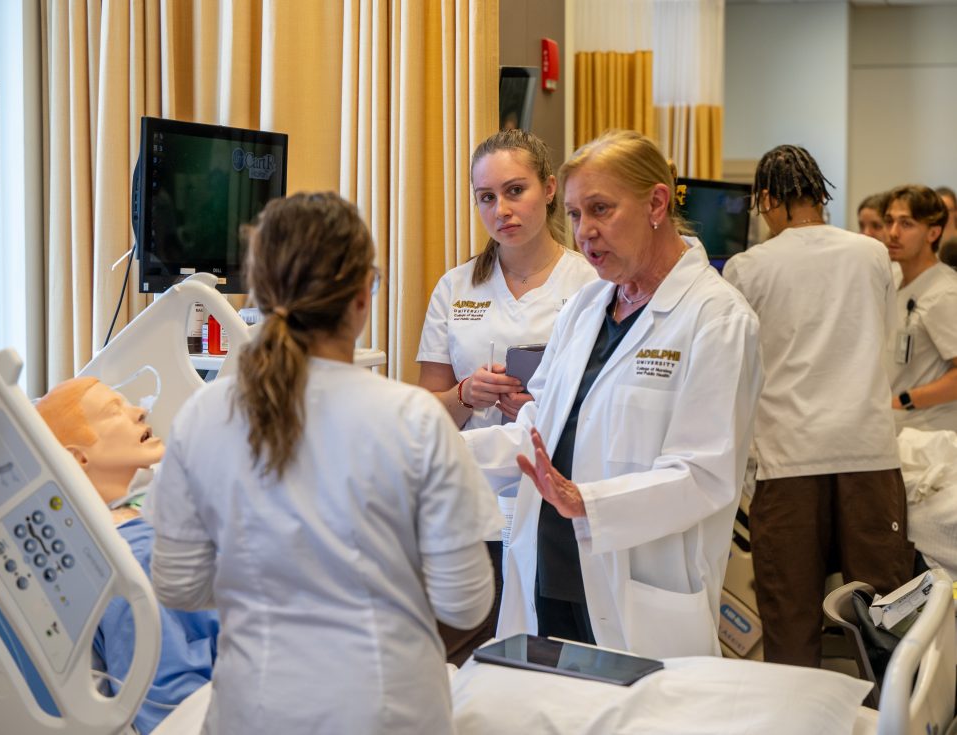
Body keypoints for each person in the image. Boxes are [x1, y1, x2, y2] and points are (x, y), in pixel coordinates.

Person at [148, 192, 503, 735]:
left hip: (252, 707)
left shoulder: (202, 416)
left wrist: (270, 580)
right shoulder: (414, 420)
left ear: (261, 293)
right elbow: (466, 602)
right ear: (364, 295)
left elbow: (177, 586)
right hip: (387, 710)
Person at [460, 129, 763, 659]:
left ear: (656, 203)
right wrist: (434, 452)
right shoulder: (586, 308)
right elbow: (536, 431)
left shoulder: (717, 318)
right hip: (547, 570)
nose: (585, 233)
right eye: (575, 215)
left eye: (601, 209)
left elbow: (705, 474)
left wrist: (586, 501)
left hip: (637, 589)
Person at [723, 145, 914, 668]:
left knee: (790, 617)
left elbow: (739, 373)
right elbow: (884, 340)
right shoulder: (872, 254)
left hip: (788, 462)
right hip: (869, 457)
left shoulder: (746, 268)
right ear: (819, 194)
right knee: (887, 616)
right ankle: (893, 716)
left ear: (767, 199)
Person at [35, 377, 218, 735]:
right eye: (113, 410)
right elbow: (168, 703)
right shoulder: (131, 558)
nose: (141, 411)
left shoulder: (151, 513)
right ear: (78, 457)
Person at [418, 129, 598, 431]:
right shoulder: (454, 287)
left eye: (515, 191)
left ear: (549, 188)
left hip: (554, 470)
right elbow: (425, 417)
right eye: (487, 197)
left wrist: (544, 411)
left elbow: (608, 409)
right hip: (471, 469)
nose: (501, 211)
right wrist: (464, 394)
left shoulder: (590, 284)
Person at [882, 185, 957, 432]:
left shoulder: (945, 292)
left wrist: (905, 400)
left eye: (906, 224)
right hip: (895, 430)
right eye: (889, 221)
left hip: (931, 437)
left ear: (933, 233)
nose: (892, 233)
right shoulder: (893, 278)